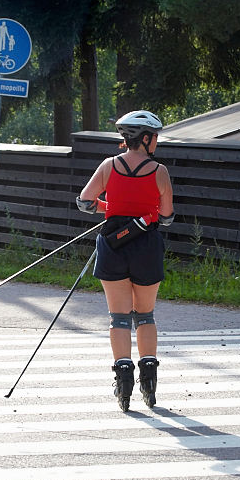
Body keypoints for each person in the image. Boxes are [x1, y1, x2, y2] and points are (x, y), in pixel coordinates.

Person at [76, 110, 174, 412]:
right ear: (146, 138)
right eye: (155, 136)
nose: (156, 142)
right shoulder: (159, 171)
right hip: (146, 246)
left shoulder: (108, 166)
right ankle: (149, 382)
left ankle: (123, 382)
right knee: (144, 315)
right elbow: (167, 217)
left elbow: (84, 201)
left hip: (113, 244)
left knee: (118, 317)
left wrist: (111, 207)